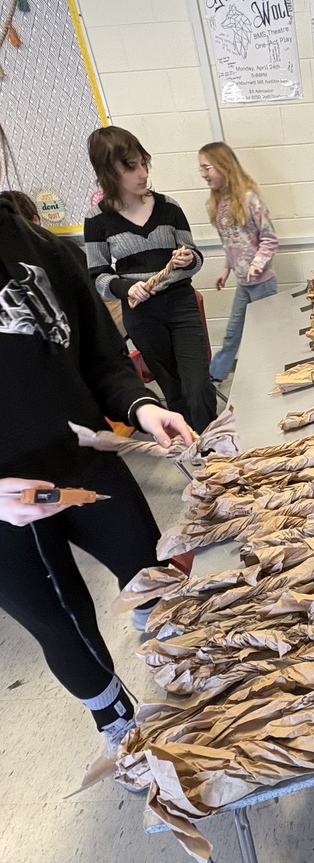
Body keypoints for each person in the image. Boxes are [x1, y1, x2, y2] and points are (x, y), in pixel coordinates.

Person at [0, 124, 194, 754]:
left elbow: (103, 361)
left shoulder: (40, 249)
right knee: (66, 623)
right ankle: (120, 726)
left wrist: (140, 408)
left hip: (82, 461)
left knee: (153, 571)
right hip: (7, 500)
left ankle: (186, 676)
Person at [84, 125, 216, 433]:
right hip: (142, 314)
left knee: (198, 386)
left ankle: (216, 449)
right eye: (131, 167)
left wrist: (186, 259)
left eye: (144, 163)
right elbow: (98, 277)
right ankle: (196, 454)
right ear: (108, 171)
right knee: (174, 392)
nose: (142, 173)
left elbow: (195, 257)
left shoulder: (169, 207)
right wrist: (127, 286)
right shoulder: (97, 219)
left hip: (181, 305)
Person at [198, 141, 278, 382]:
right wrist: (226, 268)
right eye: (200, 169)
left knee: (269, 335)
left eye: (207, 168)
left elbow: (270, 239)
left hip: (261, 282)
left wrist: (257, 263)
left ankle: (276, 374)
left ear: (224, 166)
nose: (203, 175)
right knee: (233, 333)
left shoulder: (249, 199)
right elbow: (233, 243)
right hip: (244, 281)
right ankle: (215, 375)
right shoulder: (218, 203)